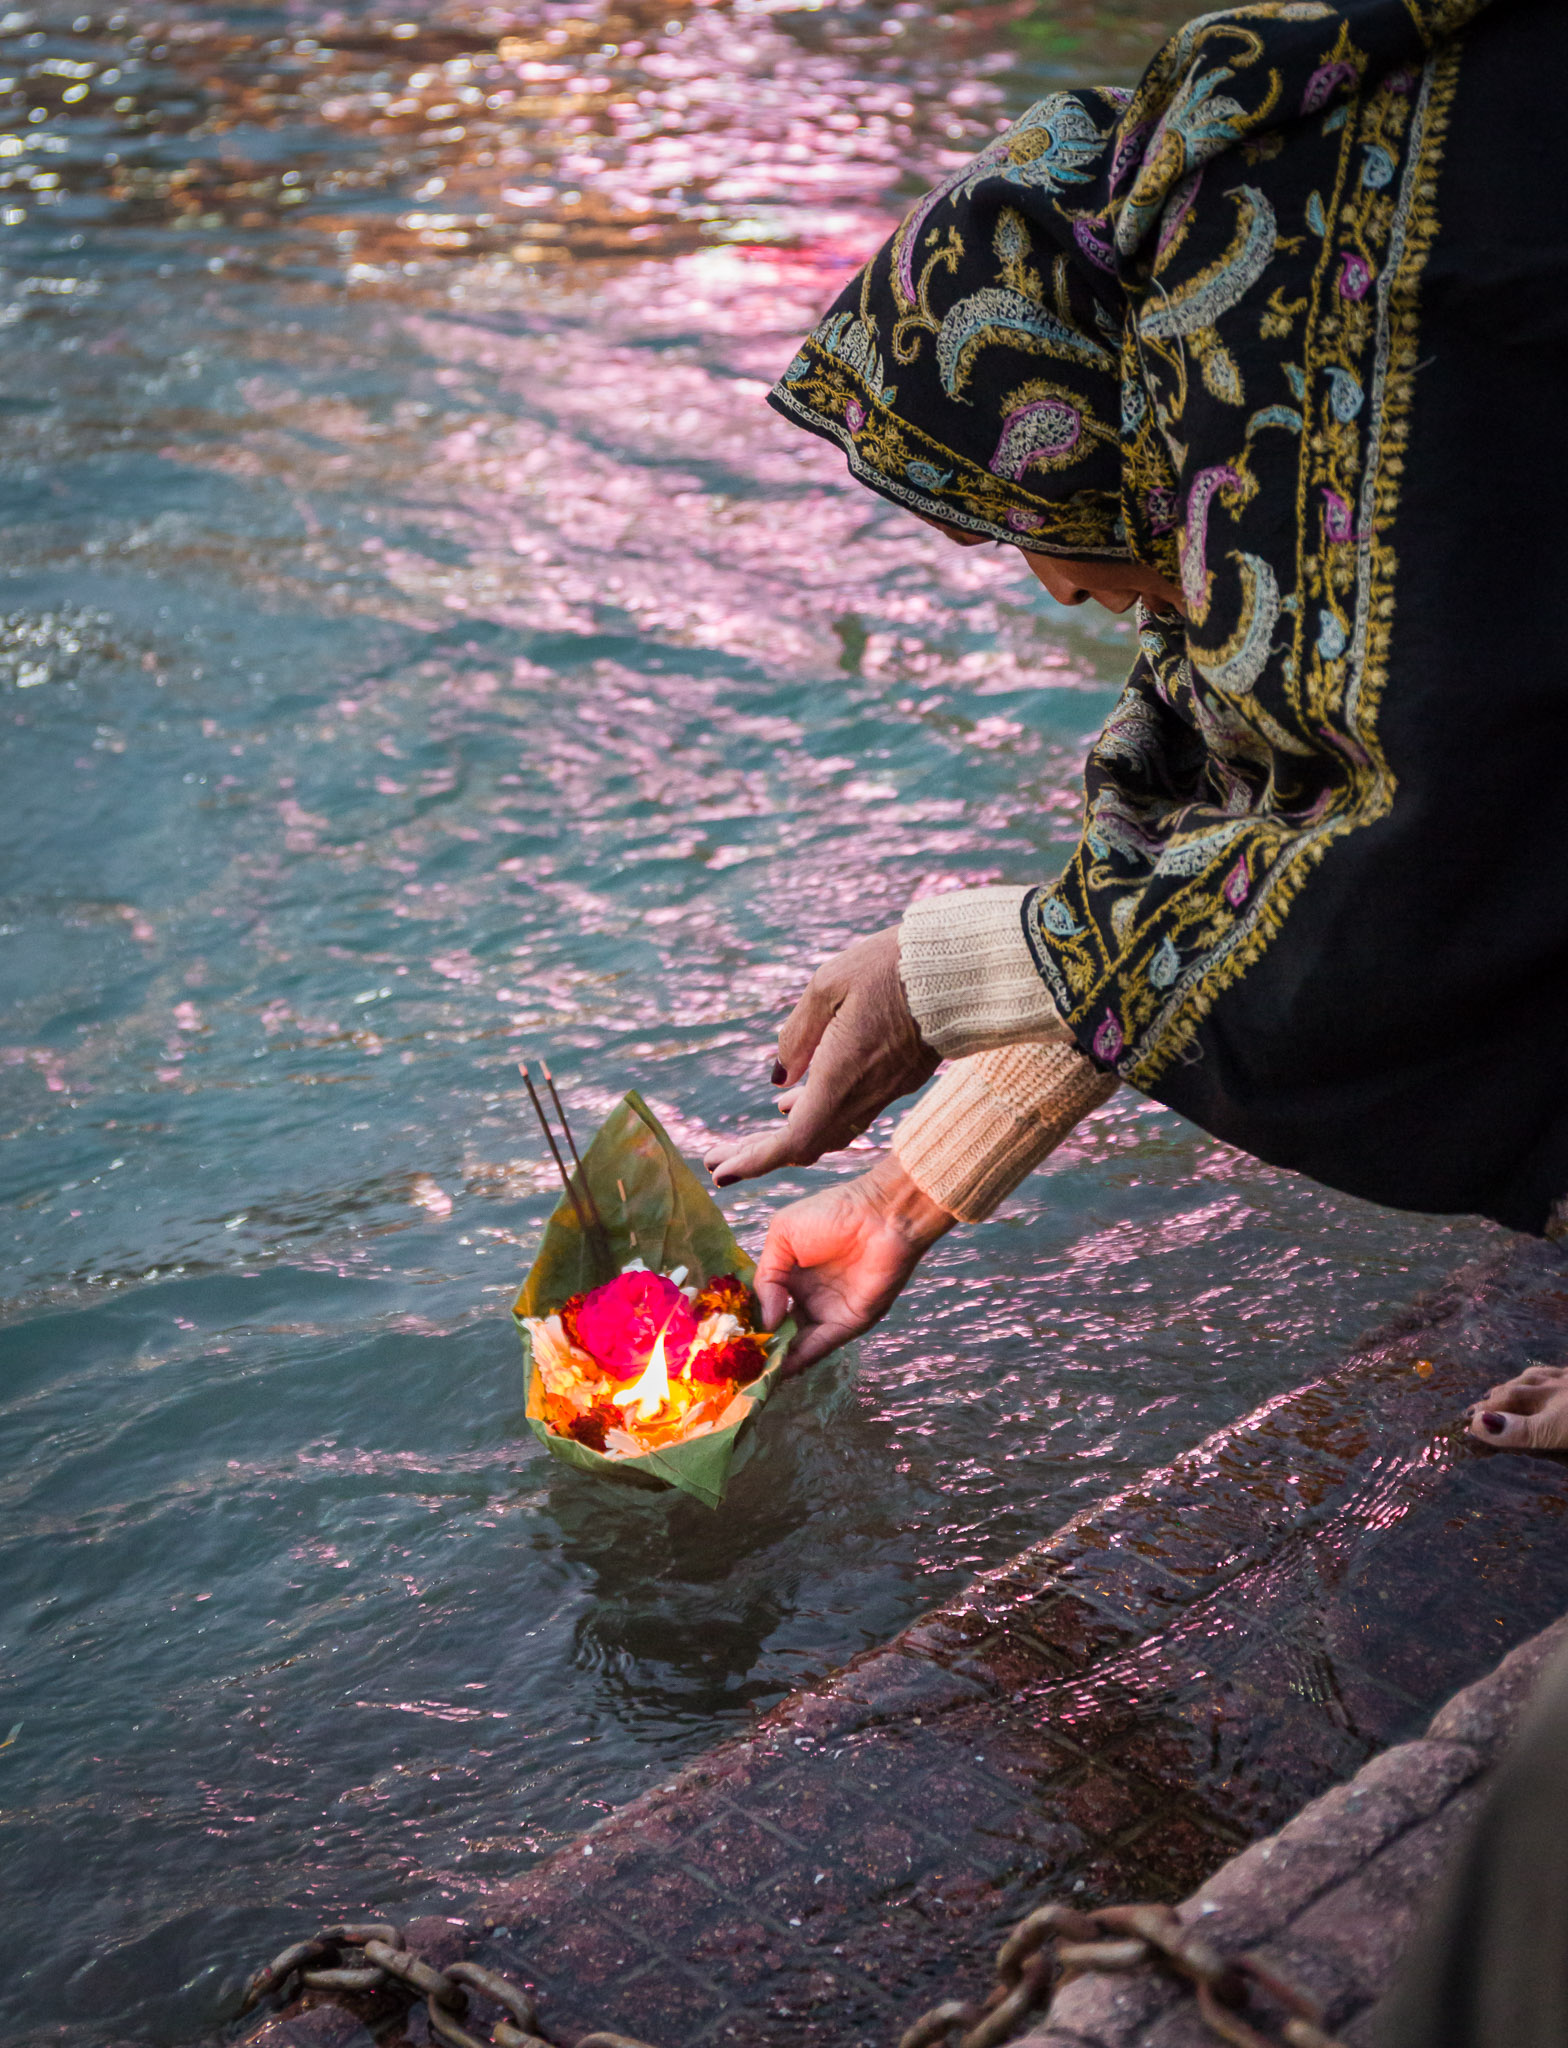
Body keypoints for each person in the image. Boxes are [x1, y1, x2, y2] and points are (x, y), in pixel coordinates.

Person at [702, 0, 1568, 1450]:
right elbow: (1238, 835)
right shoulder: (1265, 362)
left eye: (1030, 521)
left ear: (1102, 410)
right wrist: (903, 1194)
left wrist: (934, 972)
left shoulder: (1361, 351)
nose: (1055, 576)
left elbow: (1399, 885)